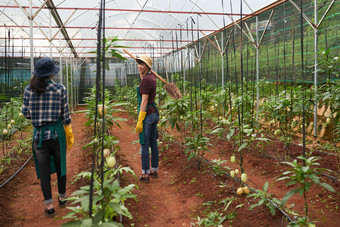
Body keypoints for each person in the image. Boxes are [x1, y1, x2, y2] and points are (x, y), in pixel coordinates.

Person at [21, 57, 74, 217]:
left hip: (39, 136)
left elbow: (26, 114)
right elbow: (65, 116)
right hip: (57, 135)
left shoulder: (29, 90)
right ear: (51, 74)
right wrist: (68, 131)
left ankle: (49, 206)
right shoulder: (60, 89)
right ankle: (63, 198)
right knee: (61, 166)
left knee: (43, 172)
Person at [135, 54, 159, 183]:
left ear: (148, 66)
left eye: (142, 64)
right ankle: (154, 169)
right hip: (154, 113)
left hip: (147, 115)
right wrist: (142, 75)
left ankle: (145, 173)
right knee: (153, 143)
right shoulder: (151, 77)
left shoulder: (145, 80)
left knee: (144, 144)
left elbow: (144, 102)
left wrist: (140, 119)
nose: (139, 66)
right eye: (138, 63)